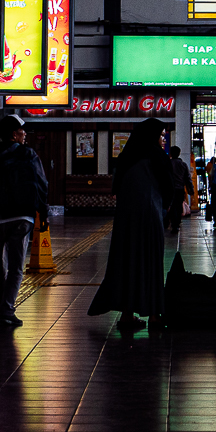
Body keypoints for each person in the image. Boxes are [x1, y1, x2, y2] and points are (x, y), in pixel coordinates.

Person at [88, 118, 175, 332]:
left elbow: (115, 187)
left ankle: (127, 315)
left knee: (127, 262)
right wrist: (166, 209)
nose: (163, 139)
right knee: (152, 263)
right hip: (151, 216)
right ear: (153, 135)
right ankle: (154, 316)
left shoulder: (125, 157)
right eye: (161, 135)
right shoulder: (157, 156)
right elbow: (168, 188)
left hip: (126, 219)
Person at [0, 115, 48, 327]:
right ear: (14, 134)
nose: (25, 135)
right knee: (16, 267)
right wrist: (43, 214)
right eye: (22, 131)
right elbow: (41, 185)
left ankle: (3, 305)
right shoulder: (29, 154)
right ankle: (6, 307)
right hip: (22, 217)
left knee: (0, 266)